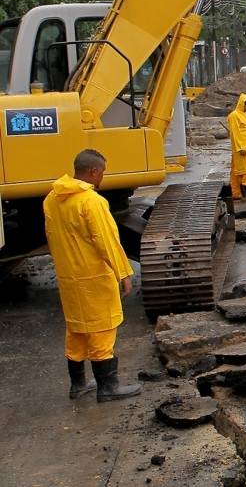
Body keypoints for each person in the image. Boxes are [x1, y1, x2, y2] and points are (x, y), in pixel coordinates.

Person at [43, 149, 142, 402]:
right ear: (94, 171)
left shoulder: (51, 199)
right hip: (93, 276)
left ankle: (77, 385)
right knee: (101, 327)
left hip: (68, 277)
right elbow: (106, 241)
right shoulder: (92, 202)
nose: (103, 178)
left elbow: (52, 239)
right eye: (103, 173)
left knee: (76, 328)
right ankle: (107, 387)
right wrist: (123, 272)